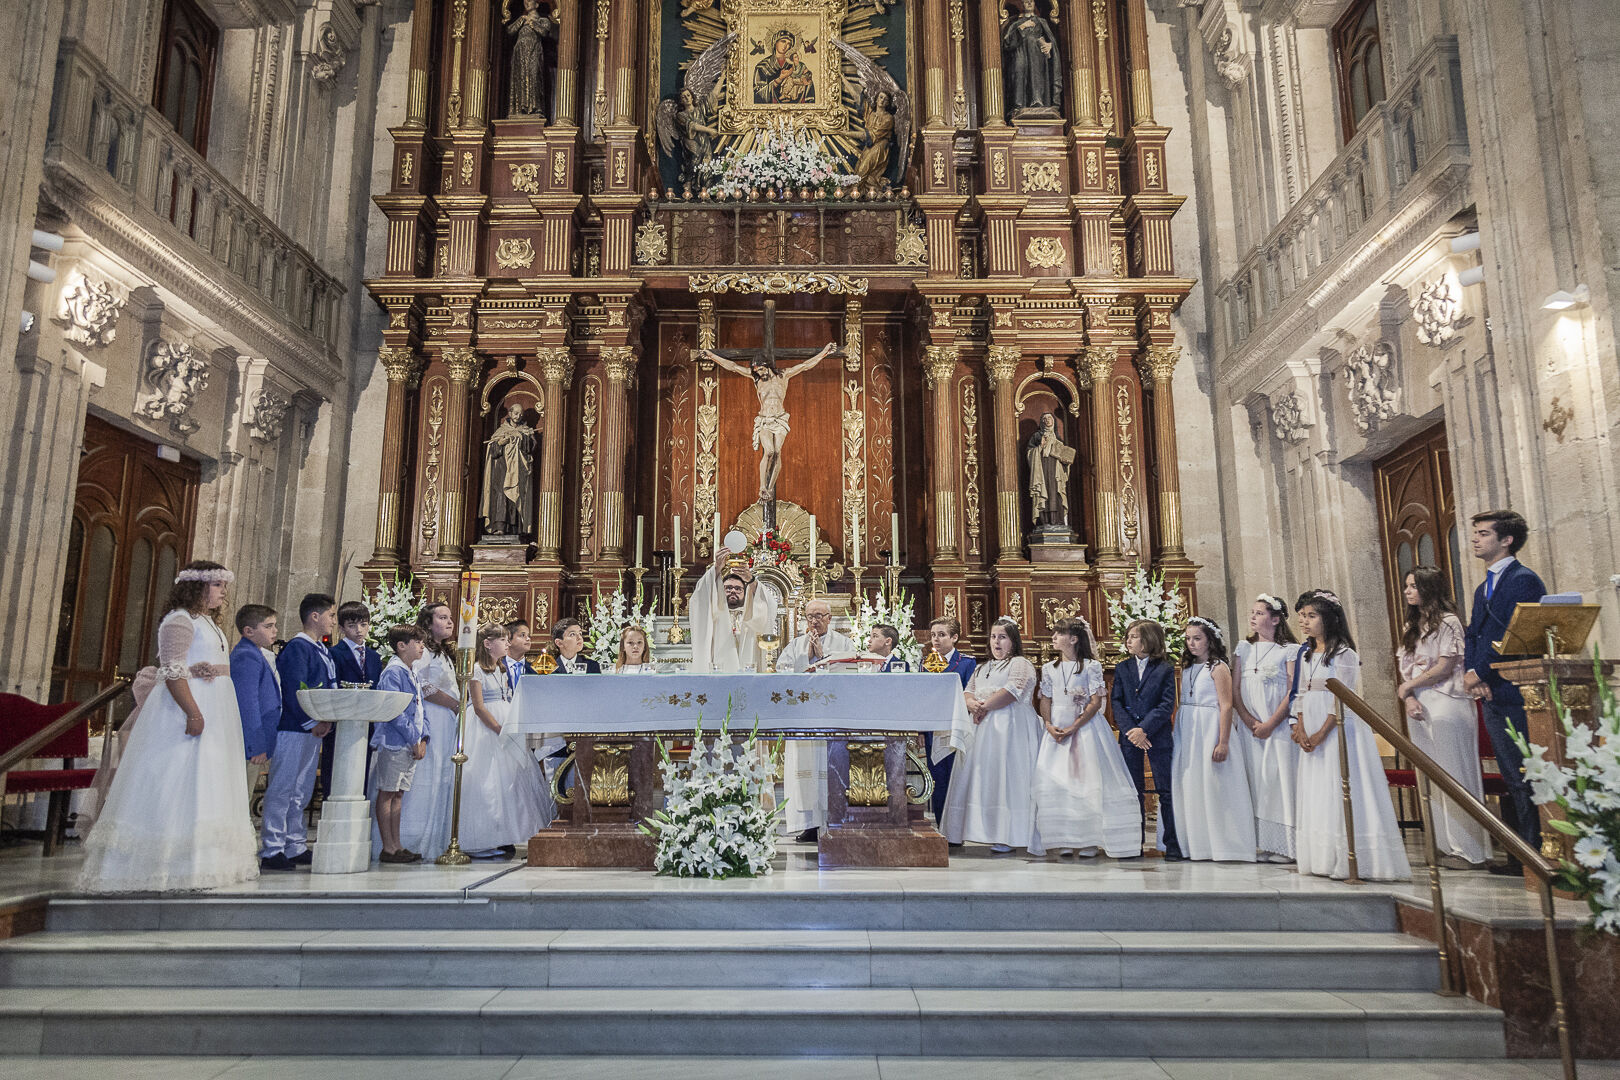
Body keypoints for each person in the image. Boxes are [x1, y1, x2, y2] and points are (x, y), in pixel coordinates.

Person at [77, 561, 259, 893]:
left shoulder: (205, 622)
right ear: (197, 587)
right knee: (177, 778)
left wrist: (201, 667)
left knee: (206, 780)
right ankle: (164, 863)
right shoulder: (178, 620)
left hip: (215, 705)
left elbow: (189, 663)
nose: (223, 592)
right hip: (183, 712)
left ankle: (204, 862)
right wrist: (193, 712)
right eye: (217, 586)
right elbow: (173, 670)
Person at [1289, 590, 1410, 882]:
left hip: (1338, 729)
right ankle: (1321, 857)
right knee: (1319, 790)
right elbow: (1303, 692)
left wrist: (1320, 732)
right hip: (1312, 726)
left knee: (1340, 784)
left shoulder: (1345, 654)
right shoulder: (1306, 654)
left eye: (1311, 616)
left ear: (1329, 619)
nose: (1304, 622)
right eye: (1302, 616)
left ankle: (1350, 857)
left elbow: (1341, 698)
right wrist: (1301, 725)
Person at [1462, 509, 1546, 874]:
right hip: (1492, 691)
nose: (1475, 539)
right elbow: (1474, 634)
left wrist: (1481, 672)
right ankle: (1521, 852)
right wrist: (1471, 672)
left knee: (1528, 773)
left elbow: (1513, 633)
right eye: (1475, 533)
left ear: (1506, 539)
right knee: (1513, 775)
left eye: (1483, 533)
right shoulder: (1484, 586)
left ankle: (1537, 851)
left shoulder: (1523, 580)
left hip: (1515, 690)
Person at [1398, 566, 1491, 869]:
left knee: (1455, 773)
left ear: (1429, 588)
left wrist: (1410, 685)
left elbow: (1445, 665)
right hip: (1420, 703)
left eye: (1413, 586)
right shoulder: (1412, 626)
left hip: (1448, 700)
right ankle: (1441, 844)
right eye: (1407, 586)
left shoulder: (1449, 622)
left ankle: (1469, 850)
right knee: (1431, 775)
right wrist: (1410, 695)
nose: (1408, 591)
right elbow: (1405, 667)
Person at [1029, 617, 1141, 859]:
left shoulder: (1091, 667)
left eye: (1059, 633)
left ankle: (1090, 838)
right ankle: (1065, 837)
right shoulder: (1049, 669)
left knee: (1087, 780)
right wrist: (1048, 724)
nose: (1053, 637)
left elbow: (1095, 701)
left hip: (1085, 729)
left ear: (1073, 638)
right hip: (1057, 729)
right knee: (1060, 781)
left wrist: (1075, 726)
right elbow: (1045, 698)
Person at [941, 617, 1040, 855]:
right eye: (994, 637)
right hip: (982, 730)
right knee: (983, 778)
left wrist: (983, 707)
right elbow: (966, 691)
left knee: (1008, 777)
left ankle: (1009, 833)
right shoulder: (982, 667)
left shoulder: (1020, 663)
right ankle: (977, 831)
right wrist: (972, 704)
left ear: (1013, 641)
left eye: (1002, 637)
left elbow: (1012, 691)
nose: (997, 642)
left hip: (1011, 729)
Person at [259, 593, 338, 872]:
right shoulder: (297, 648)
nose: (333, 621)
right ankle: (272, 847)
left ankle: (294, 843)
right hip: (294, 728)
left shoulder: (321, 648)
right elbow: (294, 689)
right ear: (314, 616)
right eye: (330, 615)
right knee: (283, 788)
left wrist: (326, 719)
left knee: (301, 789)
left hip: (313, 729)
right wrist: (311, 721)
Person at [1169, 617, 1257, 862]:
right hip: (1188, 728)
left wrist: (1223, 741)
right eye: (1188, 639)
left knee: (1214, 784)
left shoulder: (1218, 667)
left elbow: (1227, 706)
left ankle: (1225, 845)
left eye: (1197, 638)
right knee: (1192, 784)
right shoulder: (1186, 667)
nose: (1191, 643)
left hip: (1210, 728)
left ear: (1210, 639)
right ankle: (1196, 844)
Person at [462, 624, 553, 859]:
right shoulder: (476, 670)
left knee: (511, 783)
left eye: (506, 639)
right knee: (487, 782)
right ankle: (483, 838)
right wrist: (498, 728)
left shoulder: (501, 669)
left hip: (506, 724)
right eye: (501, 640)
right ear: (487, 644)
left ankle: (506, 834)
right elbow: (479, 707)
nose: (506, 644)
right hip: (486, 729)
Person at [776, 598, 852, 843]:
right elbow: (782, 671)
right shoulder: (796, 644)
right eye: (810, 616)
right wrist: (805, 659)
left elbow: (850, 675)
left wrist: (822, 658)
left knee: (829, 768)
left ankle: (833, 820)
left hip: (831, 716)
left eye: (820, 615)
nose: (814, 620)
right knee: (804, 770)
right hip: (803, 716)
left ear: (830, 618)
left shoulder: (844, 643)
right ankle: (808, 824)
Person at [1232, 594, 1302, 862]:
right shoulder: (1243, 649)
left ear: (1275, 619)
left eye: (1259, 613)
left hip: (1278, 726)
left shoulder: (1289, 650)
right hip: (1251, 728)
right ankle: (1264, 843)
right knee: (1257, 782)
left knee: (1279, 781)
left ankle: (1286, 845)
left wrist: (1271, 723)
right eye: (1252, 612)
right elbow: (1236, 689)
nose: (1253, 617)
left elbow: (1291, 690)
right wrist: (1250, 721)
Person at [397, 602, 462, 860]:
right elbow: (421, 685)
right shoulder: (423, 652)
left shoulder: (443, 652)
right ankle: (414, 838)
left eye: (450, 618)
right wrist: (453, 703)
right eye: (442, 617)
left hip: (446, 720)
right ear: (427, 623)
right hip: (432, 717)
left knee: (441, 775)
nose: (449, 622)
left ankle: (437, 837)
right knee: (427, 775)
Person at [1112, 619, 1180, 860]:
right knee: (1134, 790)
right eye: (1127, 637)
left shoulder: (1165, 668)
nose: (1128, 641)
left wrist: (1145, 730)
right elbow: (1117, 702)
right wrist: (1132, 730)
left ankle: (1172, 843)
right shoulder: (1122, 668)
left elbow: (1165, 704)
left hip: (1156, 736)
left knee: (1166, 790)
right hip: (1131, 737)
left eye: (1133, 636)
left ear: (1148, 639)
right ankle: (1134, 842)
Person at [372, 624, 429, 865]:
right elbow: (394, 710)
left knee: (398, 793)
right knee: (387, 792)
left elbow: (420, 707)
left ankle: (397, 845)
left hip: (409, 741)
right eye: (417, 642)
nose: (421, 646)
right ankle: (388, 846)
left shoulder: (411, 671)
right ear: (401, 646)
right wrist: (412, 737)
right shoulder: (393, 673)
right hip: (394, 741)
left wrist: (423, 737)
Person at [923, 617, 976, 826]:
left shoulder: (966, 663)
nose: (936, 639)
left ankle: (956, 827)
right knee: (938, 778)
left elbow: (969, 692)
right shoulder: (926, 662)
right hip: (933, 728)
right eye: (933, 634)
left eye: (942, 635)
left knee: (957, 777)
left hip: (956, 726)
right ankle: (940, 824)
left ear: (954, 637)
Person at [688, 553, 779, 673]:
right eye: (728, 588)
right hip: (719, 672)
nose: (733, 591)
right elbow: (700, 597)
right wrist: (716, 569)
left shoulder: (751, 614)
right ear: (720, 591)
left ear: (745, 592)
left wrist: (751, 580)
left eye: (738, 588)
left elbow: (769, 603)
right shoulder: (714, 614)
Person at [230, 603, 281, 803]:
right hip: (249, 745)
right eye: (268, 626)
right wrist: (256, 745)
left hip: (256, 743)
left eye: (275, 625)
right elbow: (248, 703)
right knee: (241, 798)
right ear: (249, 631)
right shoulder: (247, 656)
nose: (275, 631)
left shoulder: (254, 652)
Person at [331, 601, 382, 687]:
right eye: (352, 626)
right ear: (341, 628)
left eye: (363, 625)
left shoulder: (374, 656)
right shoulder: (334, 653)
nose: (359, 630)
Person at [503, 618, 539, 692]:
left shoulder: (535, 670)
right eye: (522, 635)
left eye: (528, 635)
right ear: (509, 641)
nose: (528, 639)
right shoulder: (498, 668)